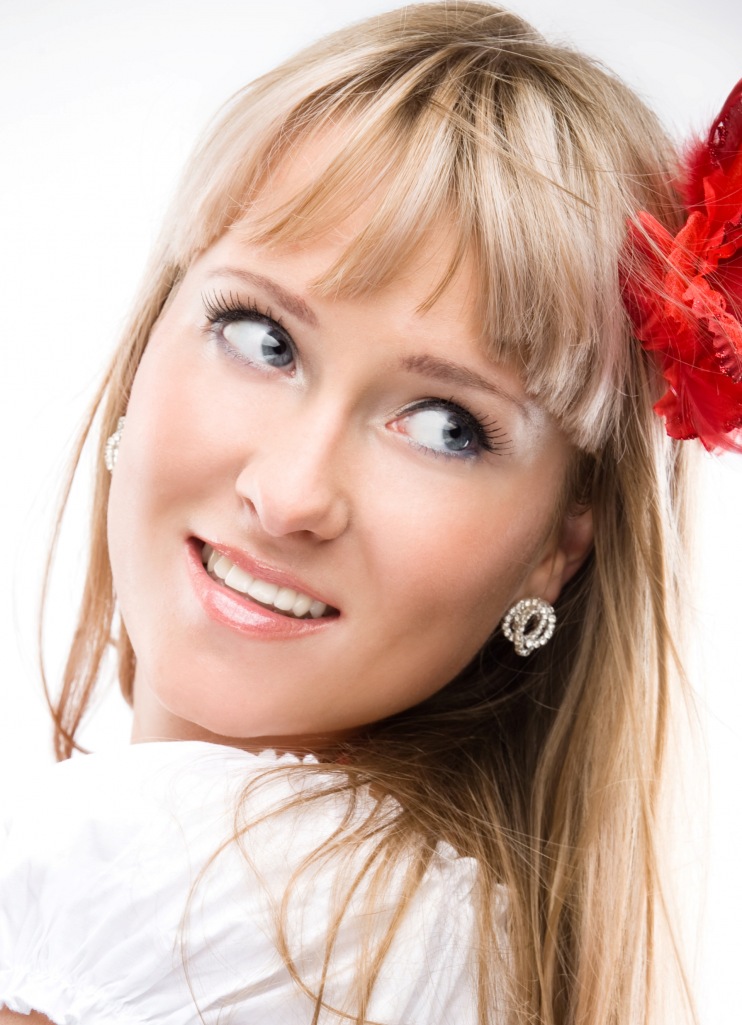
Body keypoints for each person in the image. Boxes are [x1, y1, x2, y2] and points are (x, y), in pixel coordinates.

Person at [2, 2, 740, 1022]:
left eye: (445, 425)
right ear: (145, 346)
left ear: (558, 547)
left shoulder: (167, 904)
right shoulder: (449, 932)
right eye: (262, 338)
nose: (290, 494)